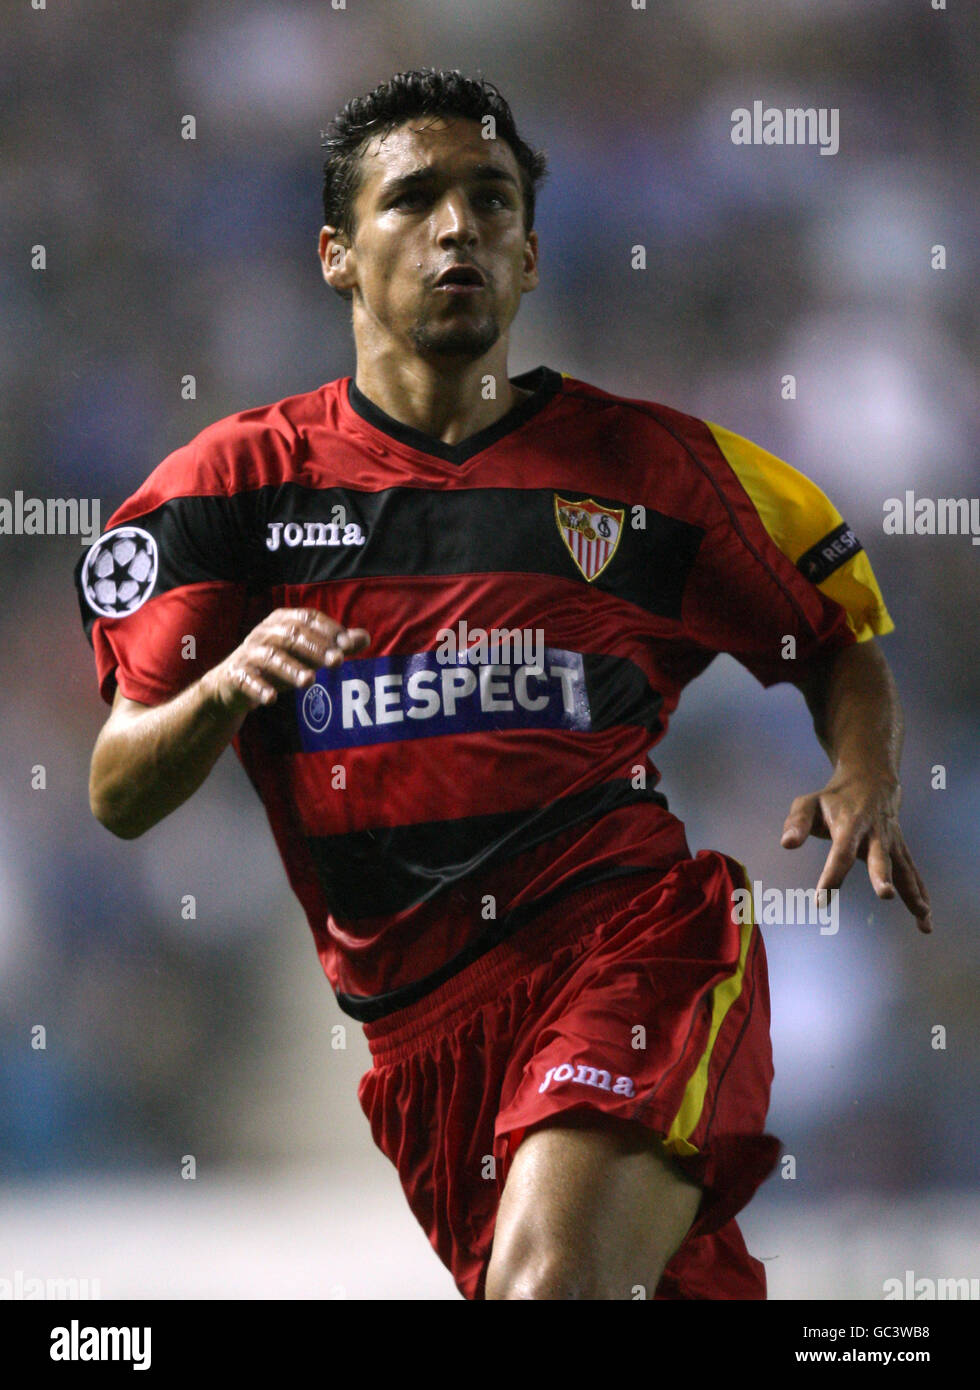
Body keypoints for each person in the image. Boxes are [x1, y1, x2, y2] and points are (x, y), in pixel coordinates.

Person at [74, 68, 932, 1301]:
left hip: (635, 946)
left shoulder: (654, 470)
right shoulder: (234, 489)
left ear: (529, 255)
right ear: (334, 253)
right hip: (420, 1039)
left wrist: (862, 771)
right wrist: (216, 696)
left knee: (550, 1290)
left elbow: (832, 640)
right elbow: (116, 788)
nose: (455, 227)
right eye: (413, 198)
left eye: (488, 200)